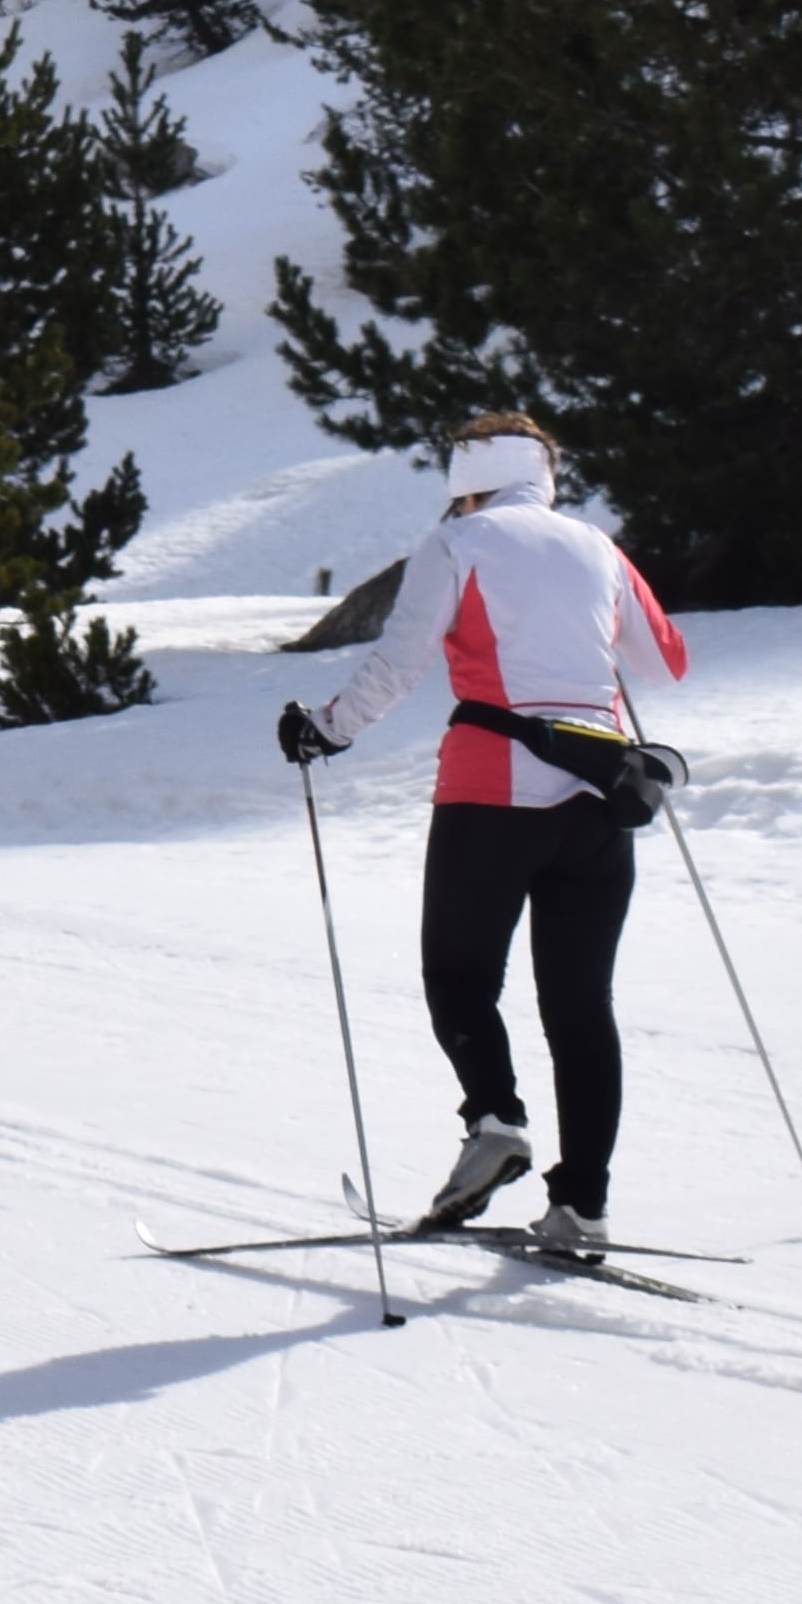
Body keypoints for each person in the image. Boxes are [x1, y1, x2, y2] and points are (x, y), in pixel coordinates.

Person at [279, 410, 688, 1260]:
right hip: (599, 798)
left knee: (459, 976)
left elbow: (400, 660)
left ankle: (495, 1120)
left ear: (466, 478)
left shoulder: (455, 545)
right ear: (545, 473)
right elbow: (666, 663)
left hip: (490, 790)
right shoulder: (598, 549)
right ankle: (583, 1207)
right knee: (582, 1008)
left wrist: (326, 729)